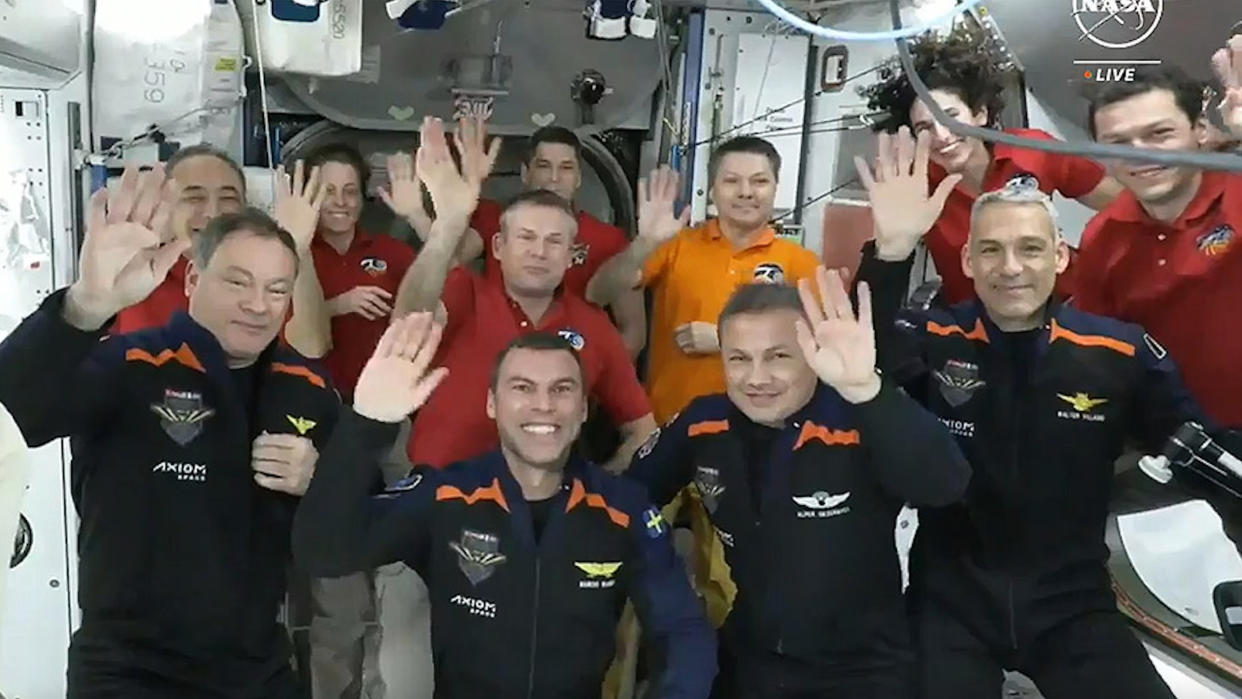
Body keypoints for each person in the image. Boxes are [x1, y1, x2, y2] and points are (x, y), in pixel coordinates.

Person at [851, 128, 1217, 698]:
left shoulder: (1119, 353)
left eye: (1030, 248)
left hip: (1072, 603)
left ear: (1060, 255)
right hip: (950, 601)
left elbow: (1202, 449)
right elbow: (854, 351)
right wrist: (892, 253)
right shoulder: (933, 338)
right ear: (968, 260)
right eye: (991, 250)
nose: (1011, 267)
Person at [0, 165, 341, 697]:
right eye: (237, 282)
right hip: (128, 672)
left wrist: (324, 485)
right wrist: (86, 305)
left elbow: (346, 539)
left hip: (257, 672)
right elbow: (13, 411)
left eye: (277, 289)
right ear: (194, 280)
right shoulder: (128, 365)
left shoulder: (308, 390)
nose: (258, 305)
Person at [291, 318, 718, 698]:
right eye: (522, 388)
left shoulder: (623, 509)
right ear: (492, 404)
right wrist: (365, 424)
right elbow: (324, 550)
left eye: (562, 390)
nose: (544, 405)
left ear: (584, 408)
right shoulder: (445, 496)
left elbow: (682, 629)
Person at [625, 276, 970, 698]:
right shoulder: (704, 423)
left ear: (812, 354)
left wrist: (868, 390)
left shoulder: (858, 419)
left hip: (863, 671)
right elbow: (625, 498)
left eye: (778, 357)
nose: (756, 378)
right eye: (738, 358)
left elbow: (946, 483)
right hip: (751, 658)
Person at [393, 117, 656, 474]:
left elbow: (644, 431)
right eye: (527, 238)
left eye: (554, 242)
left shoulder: (593, 327)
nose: (539, 251)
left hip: (537, 511)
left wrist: (597, 489)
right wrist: (447, 225)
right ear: (498, 246)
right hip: (437, 496)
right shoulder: (464, 293)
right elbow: (407, 319)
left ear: (571, 255)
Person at [859, 23, 1122, 305]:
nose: (942, 135)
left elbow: (1123, 204)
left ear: (980, 114)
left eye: (950, 116)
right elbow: (880, 288)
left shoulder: (1033, 150)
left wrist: (1104, 258)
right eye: (925, 127)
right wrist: (890, 248)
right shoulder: (916, 188)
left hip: (1065, 305)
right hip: (977, 326)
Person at [295, 142, 418, 699]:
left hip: (394, 428)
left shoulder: (393, 253)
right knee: (336, 591)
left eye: (350, 191)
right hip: (322, 429)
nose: (340, 203)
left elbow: (430, 307)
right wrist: (337, 303)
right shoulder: (291, 253)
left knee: (406, 573)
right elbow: (287, 331)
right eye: (328, 191)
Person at [1074, 48, 1242, 429]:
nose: (1140, 155)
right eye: (1117, 142)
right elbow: (1098, 357)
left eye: (1159, 134)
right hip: (1186, 452)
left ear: (1200, 130)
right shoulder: (1102, 237)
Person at [383, 125, 647, 359]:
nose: (554, 178)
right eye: (544, 166)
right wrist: (420, 215)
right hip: (491, 360)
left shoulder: (609, 239)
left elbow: (633, 331)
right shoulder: (493, 218)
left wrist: (592, 381)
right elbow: (450, 260)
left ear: (578, 178)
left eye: (566, 168)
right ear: (525, 172)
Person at [111, 144, 332, 358]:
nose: (213, 213)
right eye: (194, 198)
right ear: (166, 207)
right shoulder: (133, 271)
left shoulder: (268, 276)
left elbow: (311, 348)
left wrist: (298, 249)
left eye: (228, 199)